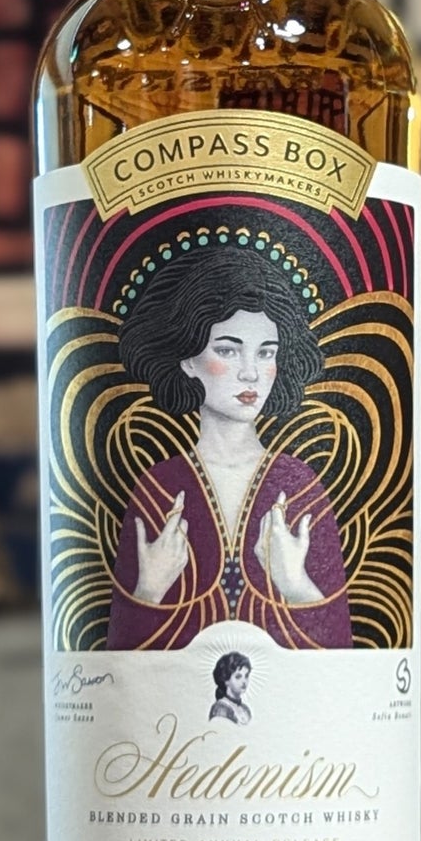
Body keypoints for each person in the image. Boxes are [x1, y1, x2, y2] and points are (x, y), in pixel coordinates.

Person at [109, 242, 351, 651]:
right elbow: (117, 663)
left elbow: (344, 659)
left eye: (266, 353)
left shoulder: (301, 485)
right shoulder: (158, 488)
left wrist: (295, 583)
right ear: (187, 359)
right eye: (227, 350)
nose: (251, 373)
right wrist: (150, 588)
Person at [208, 651, 253, 724]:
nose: (244, 681)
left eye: (246, 676)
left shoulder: (245, 709)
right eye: (238, 677)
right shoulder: (221, 708)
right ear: (226, 680)